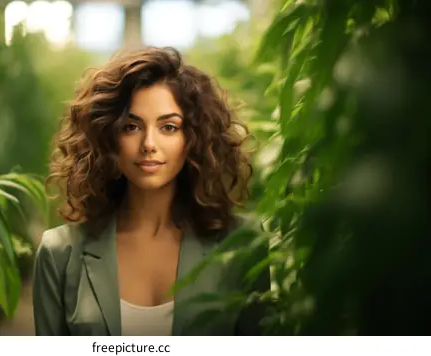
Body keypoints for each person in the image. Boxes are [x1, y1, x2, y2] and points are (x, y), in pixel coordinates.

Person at [32, 47, 270, 336]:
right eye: (131, 126)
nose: (149, 144)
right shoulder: (60, 254)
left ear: (193, 139)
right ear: (108, 138)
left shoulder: (242, 244)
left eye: (168, 127)